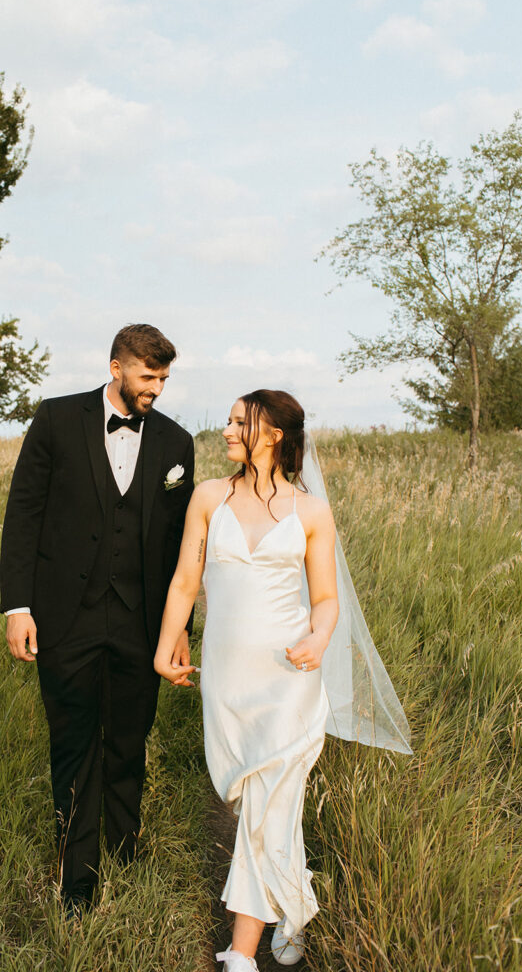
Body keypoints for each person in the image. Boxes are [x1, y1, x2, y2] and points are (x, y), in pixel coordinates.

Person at [154, 389, 411, 971]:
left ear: (271, 435)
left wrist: (319, 639)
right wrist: (168, 643)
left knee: (271, 798)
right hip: (227, 676)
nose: (224, 430)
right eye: (226, 420)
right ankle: (294, 907)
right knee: (255, 798)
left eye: (238, 422)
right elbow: (183, 582)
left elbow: (325, 598)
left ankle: (241, 953)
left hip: (288, 674)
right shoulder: (207, 497)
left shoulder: (311, 511)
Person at [0, 324, 194, 915]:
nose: (155, 389)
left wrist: (178, 625)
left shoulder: (176, 442)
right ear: (116, 367)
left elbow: (179, 545)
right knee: (75, 744)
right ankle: (77, 880)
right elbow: (23, 514)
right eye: (147, 376)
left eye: (163, 379)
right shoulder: (56, 419)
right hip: (65, 618)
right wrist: (18, 607)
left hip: (140, 621)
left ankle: (126, 851)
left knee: (130, 742)